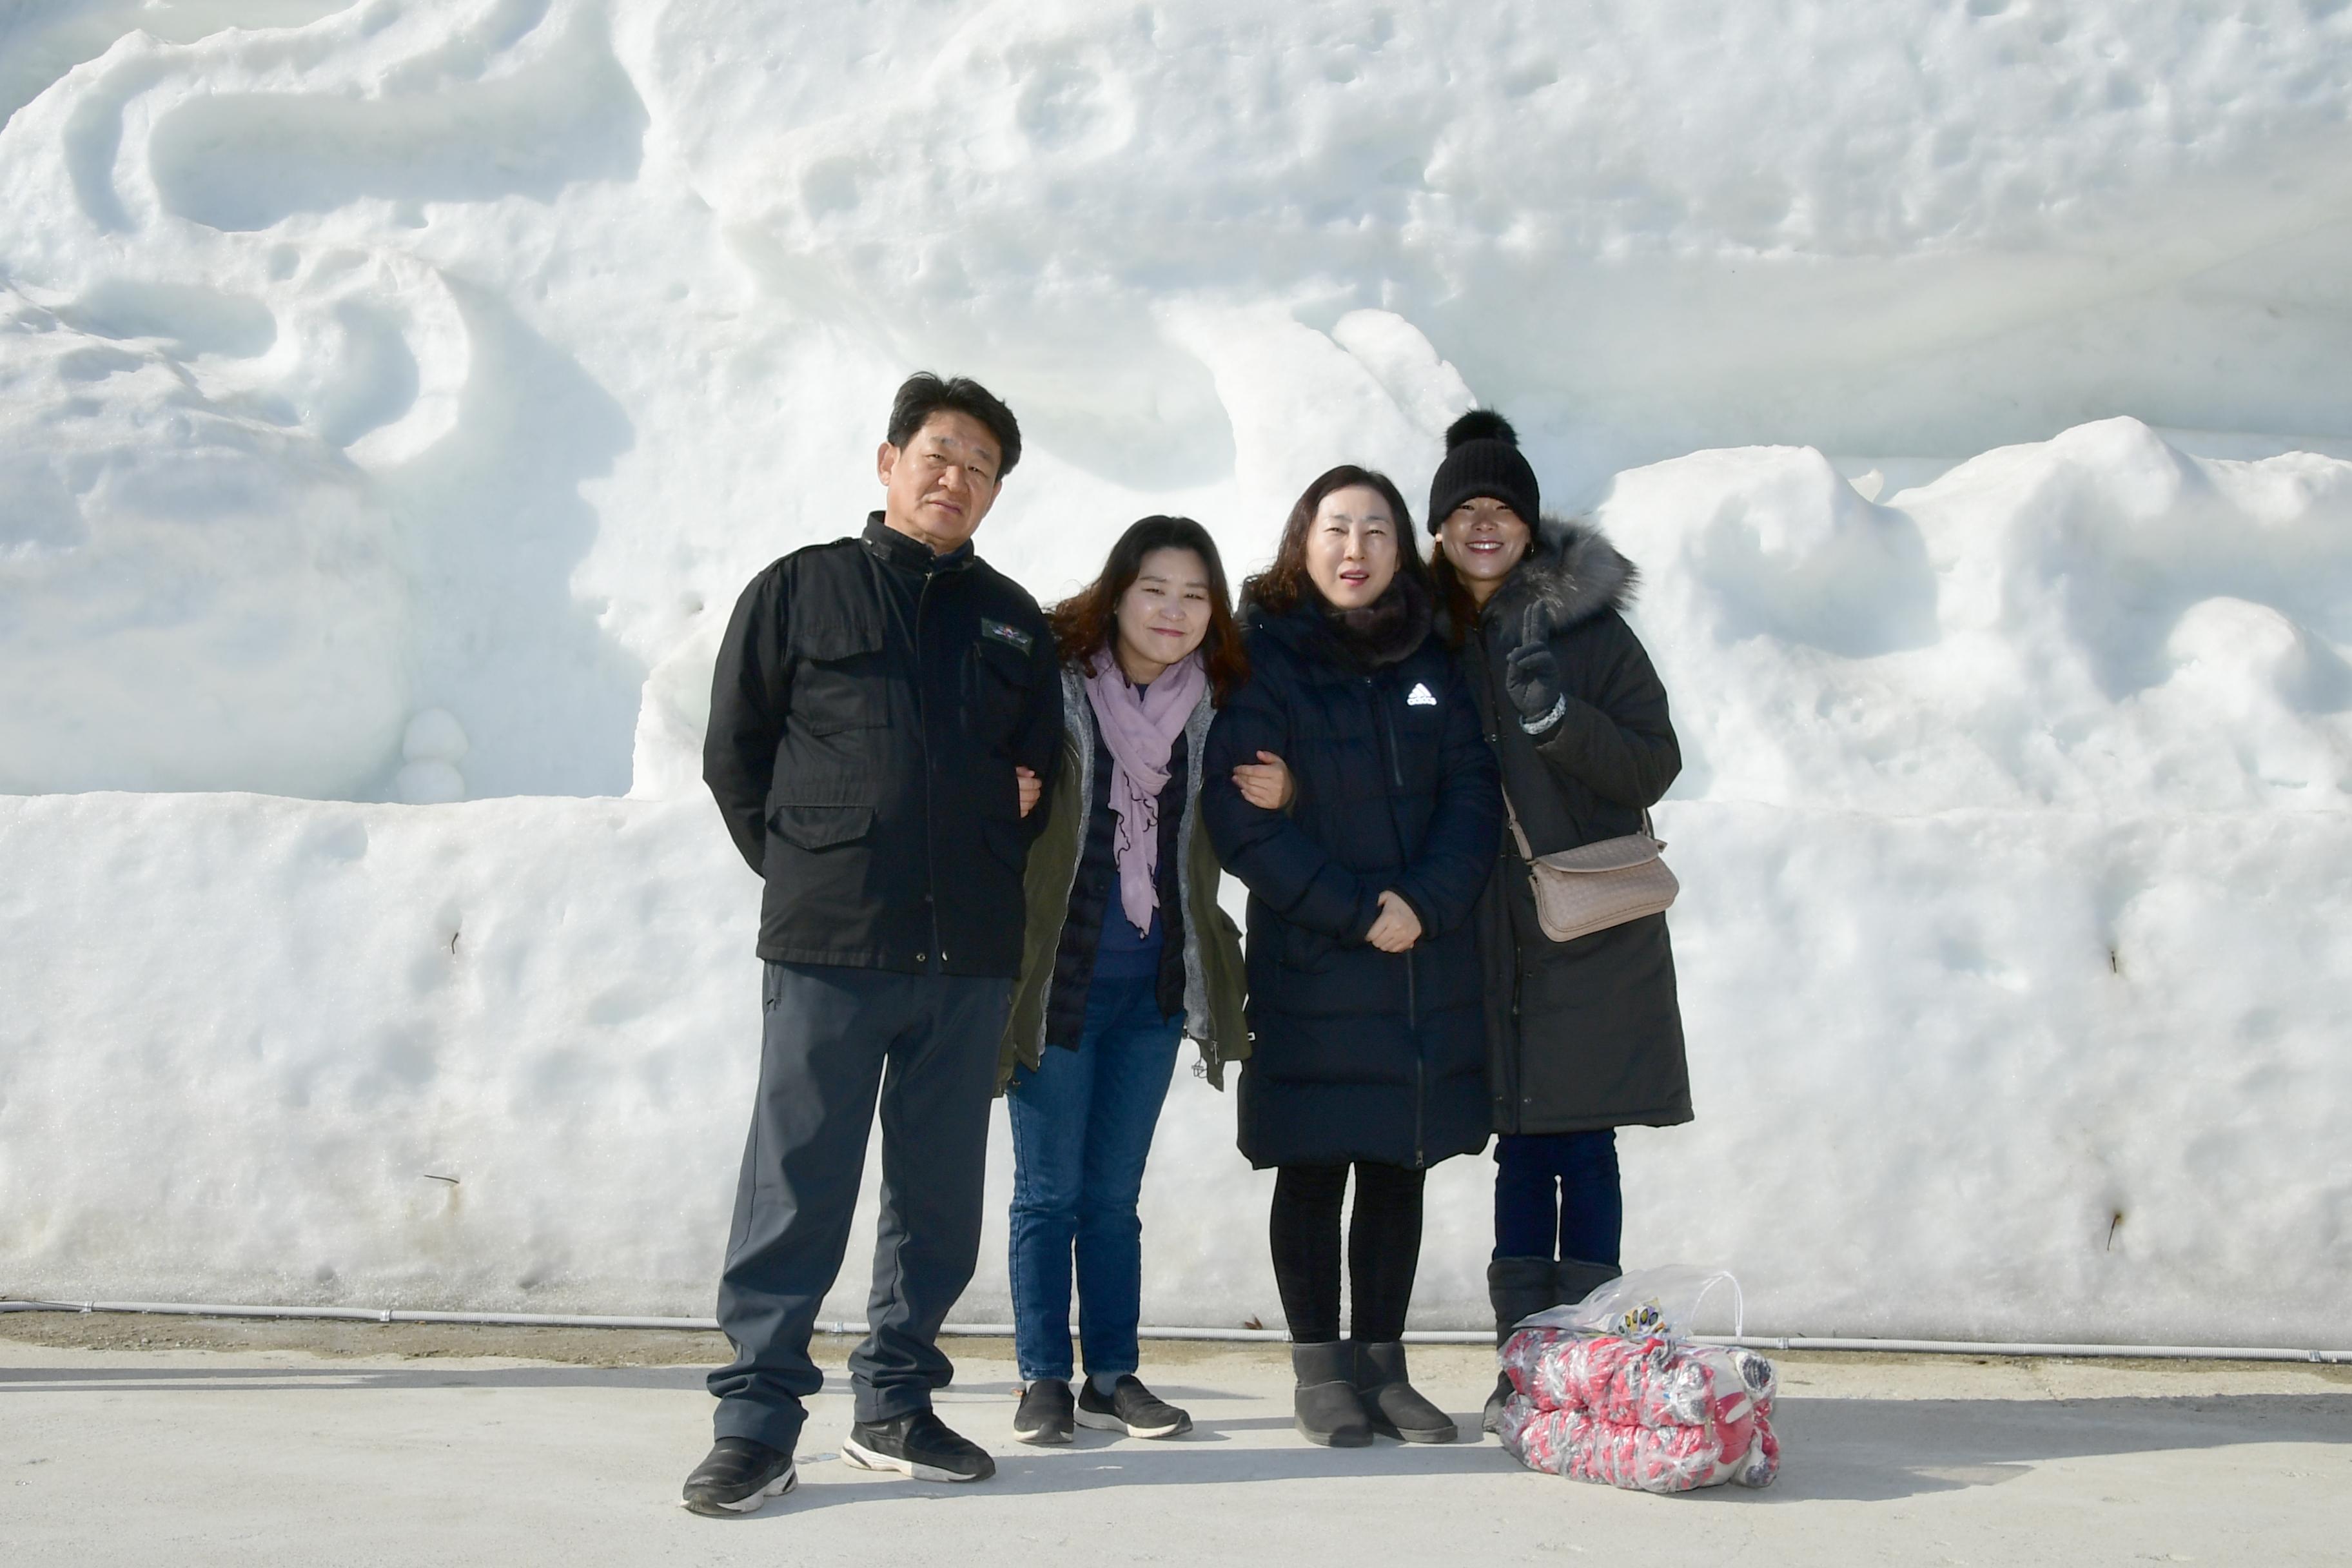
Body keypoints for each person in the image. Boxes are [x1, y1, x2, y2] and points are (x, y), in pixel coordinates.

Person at [684, 373, 1063, 1516]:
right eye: (939, 455)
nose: (956, 480)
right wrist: (818, 868)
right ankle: (756, 1420)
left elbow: (1039, 782)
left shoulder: (1010, 617)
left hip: (968, 958)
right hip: (831, 948)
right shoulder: (801, 589)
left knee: (937, 1196)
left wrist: (1006, 816)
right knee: (796, 1184)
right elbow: (734, 758)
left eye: (981, 468)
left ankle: (897, 1401)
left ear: (996, 494)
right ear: (889, 461)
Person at [1200, 466, 1501, 1447]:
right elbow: (1243, 822)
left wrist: (1423, 903)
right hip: (1319, 962)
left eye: (1377, 529)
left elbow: (1470, 793)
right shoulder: (1264, 657)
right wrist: (1357, 911)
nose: (1356, 549)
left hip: (1420, 964)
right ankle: (1318, 1369)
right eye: (1337, 528)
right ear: (1304, 542)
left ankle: (1386, 1363)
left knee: (1398, 1166)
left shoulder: (1433, 653)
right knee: (1316, 1162)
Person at [1424, 411, 1691, 1433]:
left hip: (1583, 932)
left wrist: (1557, 724)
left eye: (1501, 509)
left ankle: (1588, 1367)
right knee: (1520, 1149)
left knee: (1583, 1146)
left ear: (1531, 527)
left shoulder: (1587, 628)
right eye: (1464, 510)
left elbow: (1653, 762)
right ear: (1441, 529)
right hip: (1482, 935)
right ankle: (1526, 1368)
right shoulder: (1425, 633)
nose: (1483, 525)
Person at [995, 516, 1252, 1446]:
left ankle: (1112, 1373)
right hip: (1056, 986)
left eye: (1195, 595)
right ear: (1118, 592)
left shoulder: (1216, 707)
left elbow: (1234, 825)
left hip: (1151, 992)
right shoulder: (1055, 689)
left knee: (1111, 1197)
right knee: (1047, 1192)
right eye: (1156, 589)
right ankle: (1041, 1377)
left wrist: (1282, 794)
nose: (1174, 611)